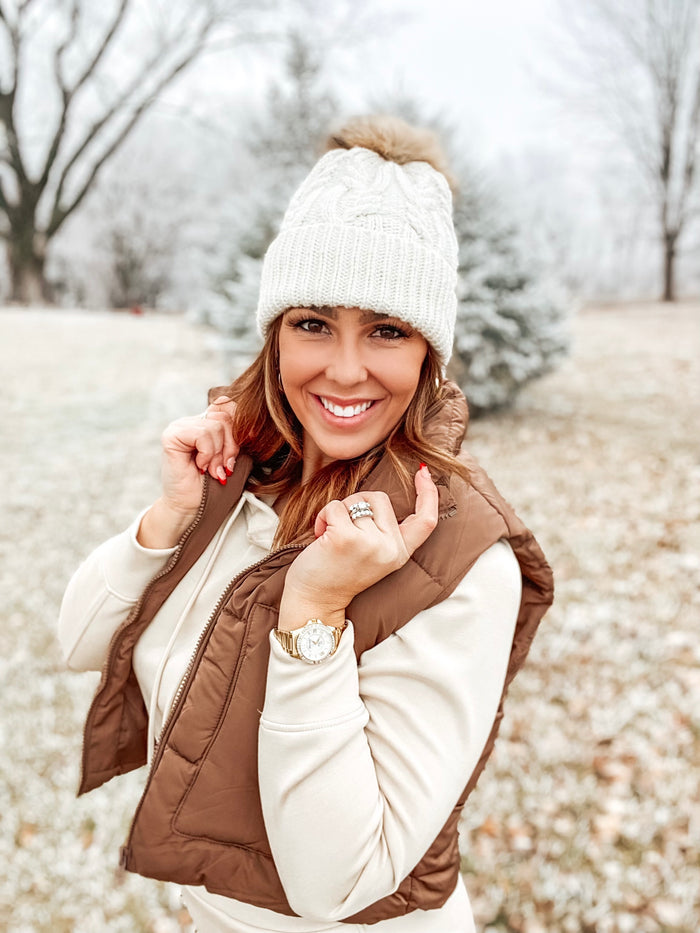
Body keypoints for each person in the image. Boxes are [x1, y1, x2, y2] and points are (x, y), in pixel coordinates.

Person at [59, 115, 554, 933]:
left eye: (387, 330)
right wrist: (170, 518)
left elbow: (339, 883)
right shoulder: (242, 471)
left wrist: (315, 614)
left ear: (430, 352)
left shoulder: (468, 558)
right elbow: (78, 641)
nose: (346, 368)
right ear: (276, 332)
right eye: (314, 323)